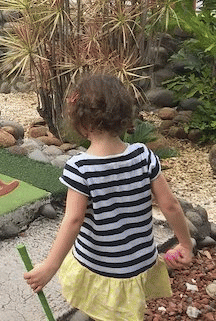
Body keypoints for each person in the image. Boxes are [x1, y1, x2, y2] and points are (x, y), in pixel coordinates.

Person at [23, 74, 194, 321]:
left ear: (80, 121)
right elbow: (170, 205)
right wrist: (185, 244)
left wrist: (50, 266)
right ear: (124, 117)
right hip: (139, 262)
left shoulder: (80, 168)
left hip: (102, 266)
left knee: (105, 310)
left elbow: (73, 220)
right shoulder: (143, 155)